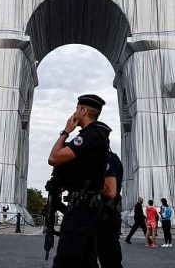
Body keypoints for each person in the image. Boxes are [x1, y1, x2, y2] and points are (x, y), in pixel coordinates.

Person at [47, 94, 110, 267]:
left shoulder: (90, 136)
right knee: (87, 262)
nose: (74, 112)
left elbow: (53, 158)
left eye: (76, 108)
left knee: (65, 261)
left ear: (83, 110)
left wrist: (65, 132)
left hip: (81, 209)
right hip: (88, 206)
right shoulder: (97, 135)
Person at [97, 130, 124, 268]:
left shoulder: (105, 159)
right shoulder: (114, 158)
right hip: (108, 214)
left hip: (104, 215)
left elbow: (110, 191)